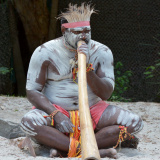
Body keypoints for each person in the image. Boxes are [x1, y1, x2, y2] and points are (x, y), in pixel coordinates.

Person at [20, 3, 143, 159]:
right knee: (28, 122)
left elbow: (106, 93)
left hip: (93, 108)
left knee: (135, 123)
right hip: (56, 108)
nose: (83, 36)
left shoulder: (102, 51)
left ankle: (66, 149)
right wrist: (56, 114)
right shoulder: (45, 52)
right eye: (77, 32)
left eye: (87, 31)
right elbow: (32, 91)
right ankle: (91, 149)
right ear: (64, 31)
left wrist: (87, 69)